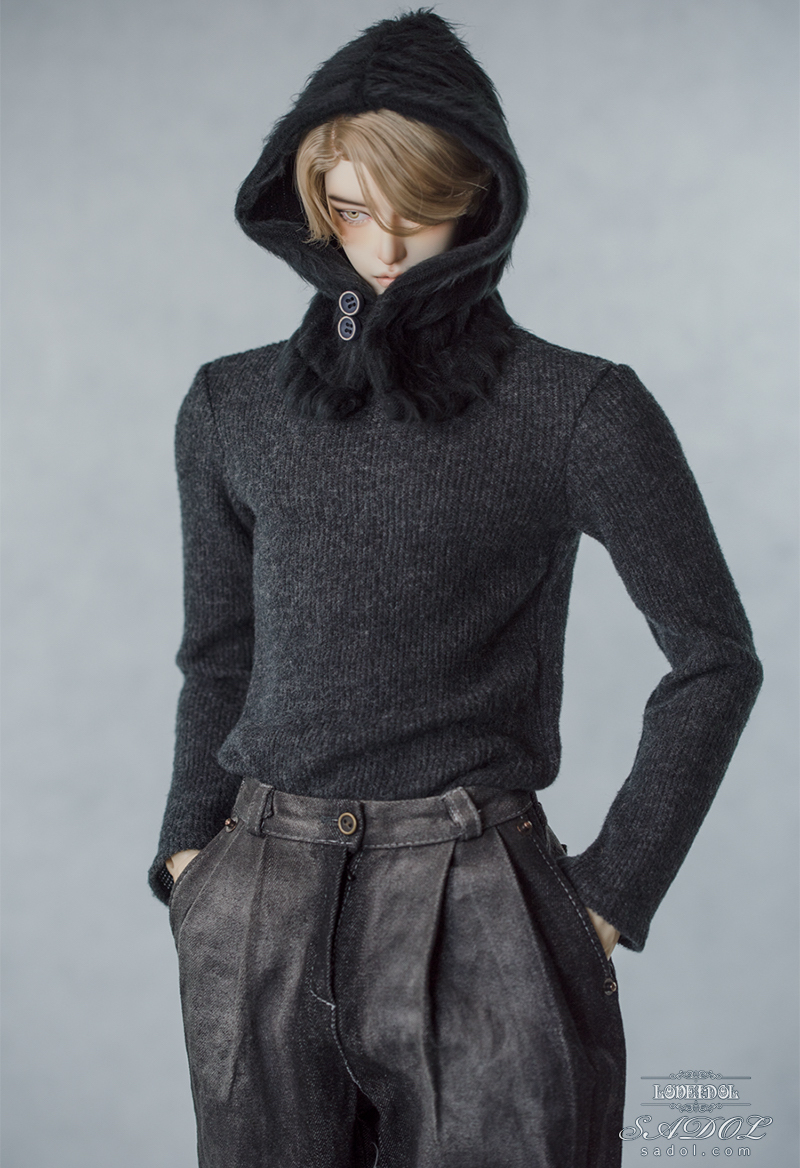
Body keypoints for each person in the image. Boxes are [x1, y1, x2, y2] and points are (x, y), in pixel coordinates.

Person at [149, 12, 762, 1168]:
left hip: (480, 903)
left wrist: (605, 898)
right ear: (307, 199)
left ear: (480, 200)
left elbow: (713, 659)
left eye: (416, 207)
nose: (382, 245)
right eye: (348, 208)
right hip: (258, 902)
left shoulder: (577, 407)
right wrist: (191, 856)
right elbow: (218, 653)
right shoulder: (229, 406)